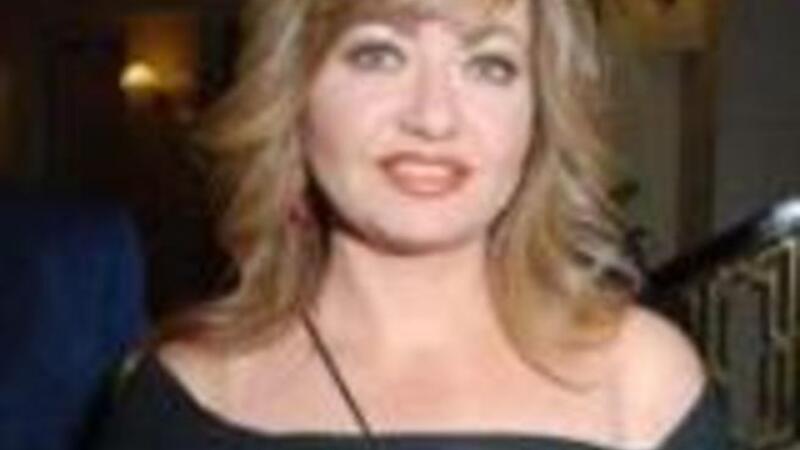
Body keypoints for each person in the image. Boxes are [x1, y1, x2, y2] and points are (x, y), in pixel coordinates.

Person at [92, 0, 729, 448]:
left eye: (490, 66)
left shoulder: (642, 381)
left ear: (539, 120)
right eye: (379, 54)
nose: (433, 118)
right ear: (292, 96)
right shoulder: (188, 393)